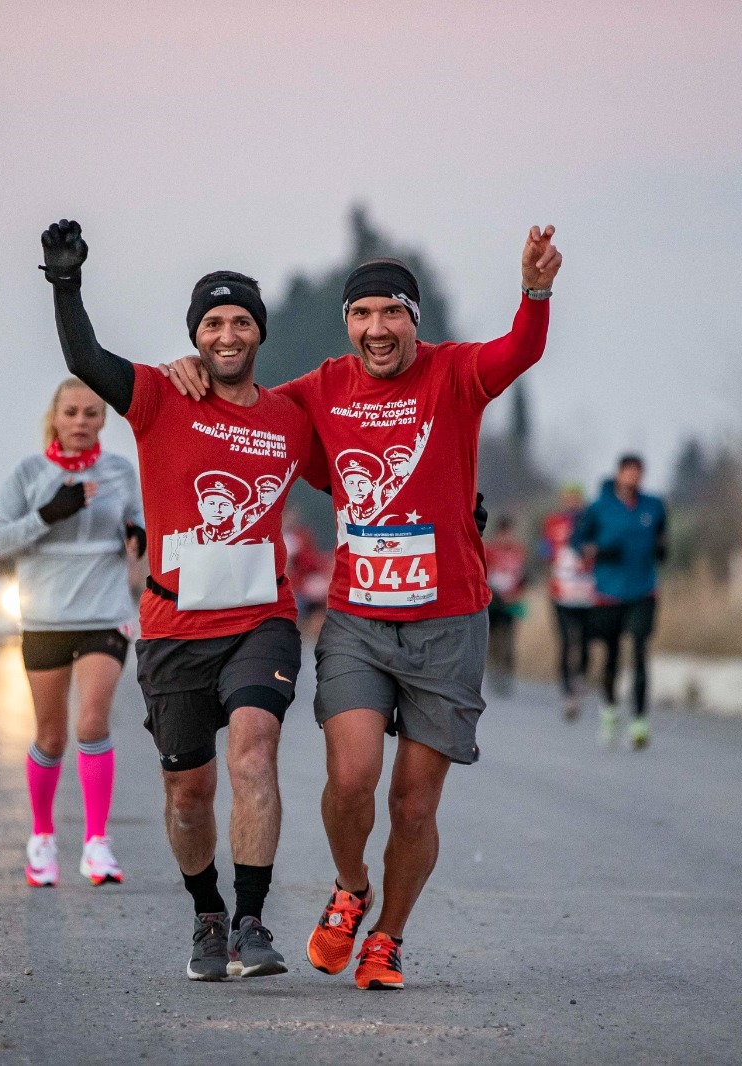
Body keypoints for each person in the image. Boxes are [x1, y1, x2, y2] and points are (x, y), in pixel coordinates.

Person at [164, 225, 562, 989]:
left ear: (415, 320)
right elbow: (249, 416)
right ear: (347, 324)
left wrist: (535, 293)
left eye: (392, 313)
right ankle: (350, 889)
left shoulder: (455, 375)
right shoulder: (323, 387)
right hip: (358, 619)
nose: (377, 329)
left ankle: (389, 936)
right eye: (362, 315)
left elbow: (520, 350)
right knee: (350, 779)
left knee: (413, 805)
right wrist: (196, 372)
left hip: (448, 622)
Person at [39, 219, 315, 980]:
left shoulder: (291, 417)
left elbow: (365, 465)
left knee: (254, 750)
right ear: (197, 335)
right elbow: (84, 359)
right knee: (188, 793)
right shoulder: (160, 395)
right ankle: (208, 916)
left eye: (240, 321)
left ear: (260, 331)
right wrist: (67, 284)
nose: (227, 335)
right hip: (172, 628)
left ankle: (254, 921)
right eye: (212, 323)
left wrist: (461, 511)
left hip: (262, 619)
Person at [0, 379, 145, 888]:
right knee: (51, 736)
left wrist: (138, 532)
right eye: (72, 412)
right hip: (46, 618)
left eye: (92, 413)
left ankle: (97, 844)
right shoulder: (30, 473)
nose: (82, 421)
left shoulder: (120, 472)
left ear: (103, 420)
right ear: (55, 417)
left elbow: (141, 519)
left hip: (104, 613)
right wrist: (47, 514)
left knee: (93, 723)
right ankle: (41, 837)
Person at [574, 455, 667, 749]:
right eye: (628, 473)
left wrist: (661, 550)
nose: (633, 479)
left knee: (640, 651)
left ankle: (640, 720)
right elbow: (578, 540)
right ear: (618, 474)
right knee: (611, 654)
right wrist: (596, 551)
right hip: (608, 592)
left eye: (638, 473)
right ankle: (610, 709)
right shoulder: (600, 507)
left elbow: (663, 538)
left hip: (643, 589)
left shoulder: (653, 506)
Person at [541, 485, 596, 719]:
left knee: (584, 640)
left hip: (586, 592)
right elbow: (544, 552)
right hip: (561, 593)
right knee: (565, 641)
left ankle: (581, 677)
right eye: (568, 498)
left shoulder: (592, 524)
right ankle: (567, 691)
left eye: (576, 498)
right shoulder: (553, 523)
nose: (572, 502)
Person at [483, 514, 529, 695]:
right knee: (492, 638)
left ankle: (506, 673)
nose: (506, 537)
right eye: (503, 533)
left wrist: (518, 594)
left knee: (508, 639)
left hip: (511, 600)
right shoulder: (489, 550)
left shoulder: (518, 551)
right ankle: (494, 672)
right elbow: (482, 574)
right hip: (492, 600)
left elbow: (524, 575)